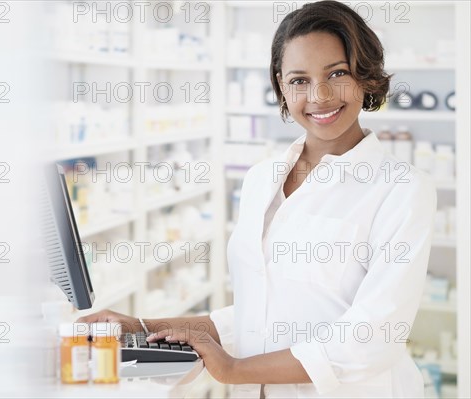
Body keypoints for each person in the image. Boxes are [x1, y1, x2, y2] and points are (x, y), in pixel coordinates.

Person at [78, 1, 437, 397]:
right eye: (300, 80)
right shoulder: (260, 180)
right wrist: (141, 327)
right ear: (282, 85)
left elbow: (371, 339)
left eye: (338, 73)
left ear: (365, 77)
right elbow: (254, 315)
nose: (319, 95)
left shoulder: (400, 189)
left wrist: (233, 369)